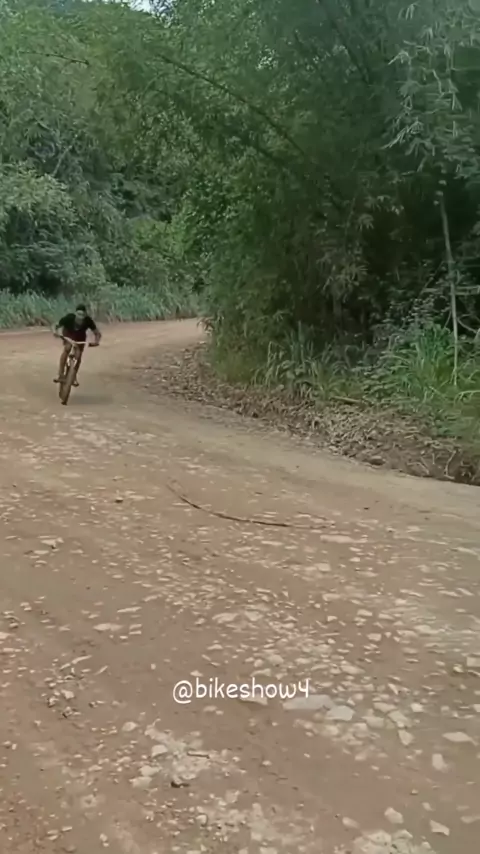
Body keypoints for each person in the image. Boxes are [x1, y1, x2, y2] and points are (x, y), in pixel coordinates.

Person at [53, 304, 101, 386]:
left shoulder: (88, 321)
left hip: (80, 337)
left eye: (82, 315)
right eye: (79, 314)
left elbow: (97, 333)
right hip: (68, 334)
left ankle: (73, 376)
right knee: (67, 348)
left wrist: (96, 342)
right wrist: (55, 332)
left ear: (85, 315)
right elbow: (56, 325)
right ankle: (60, 374)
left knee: (78, 355)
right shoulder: (69, 318)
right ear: (75, 313)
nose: (80, 317)